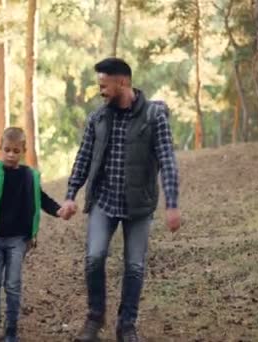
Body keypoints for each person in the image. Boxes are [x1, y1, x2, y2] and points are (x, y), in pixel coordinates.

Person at [62, 58, 181, 342]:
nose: (100, 90)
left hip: (139, 205)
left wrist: (172, 203)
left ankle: (127, 325)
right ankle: (94, 319)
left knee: (135, 266)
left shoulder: (154, 116)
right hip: (104, 201)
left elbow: (167, 159)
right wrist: (70, 195)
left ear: (123, 82)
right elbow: (84, 158)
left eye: (104, 85)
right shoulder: (98, 119)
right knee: (94, 257)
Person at [0, 127, 69, 341]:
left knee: (12, 285)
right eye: (7, 150)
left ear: (24, 151)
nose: (11, 154)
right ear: (0, 149)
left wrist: (59, 210)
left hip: (18, 241)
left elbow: (43, 199)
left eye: (16, 150)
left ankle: (11, 331)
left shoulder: (29, 177)